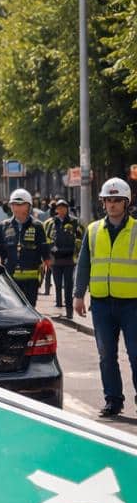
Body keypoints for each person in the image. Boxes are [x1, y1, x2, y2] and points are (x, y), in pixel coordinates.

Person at [75, 178, 137, 417]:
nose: (112, 204)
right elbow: (84, 265)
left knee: (136, 354)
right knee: (106, 355)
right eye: (108, 200)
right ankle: (113, 400)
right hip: (101, 303)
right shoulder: (93, 230)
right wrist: (78, 295)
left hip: (132, 304)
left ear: (126, 202)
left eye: (117, 200)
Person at [0, 187, 50, 305]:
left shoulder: (38, 226)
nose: (16, 207)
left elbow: (45, 254)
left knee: (29, 309)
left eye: (20, 204)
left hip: (31, 281)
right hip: (10, 280)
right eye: (13, 204)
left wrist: (47, 276)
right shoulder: (4, 226)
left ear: (28, 206)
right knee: (12, 309)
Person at [46, 198, 83, 319]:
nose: (61, 210)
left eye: (63, 208)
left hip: (69, 260)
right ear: (56, 209)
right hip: (55, 260)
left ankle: (69, 311)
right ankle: (58, 305)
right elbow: (46, 238)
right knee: (57, 284)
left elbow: (80, 238)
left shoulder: (74, 222)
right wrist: (51, 250)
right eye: (59, 208)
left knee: (68, 286)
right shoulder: (51, 222)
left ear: (67, 209)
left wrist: (75, 250)